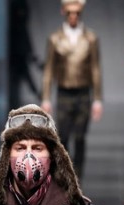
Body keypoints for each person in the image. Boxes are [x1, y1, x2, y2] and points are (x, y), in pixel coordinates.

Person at [41, 0, 103, 179]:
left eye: (77, 13)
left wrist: (97, 99)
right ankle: (64, 177)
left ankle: (78, 178)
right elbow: (49, 69)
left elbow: (95, 69)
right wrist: (46, 97)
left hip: (84, 93)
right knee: (63, 136)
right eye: (70, 13)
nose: (73, 16)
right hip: (64, 93)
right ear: (64, 12)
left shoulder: (91, 38)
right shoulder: (55, 38)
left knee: (80, 137)